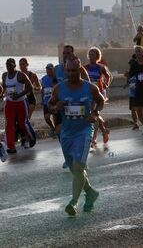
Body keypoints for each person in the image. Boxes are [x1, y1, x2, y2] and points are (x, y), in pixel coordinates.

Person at [48, 57, 105, 216]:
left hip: (84, 130)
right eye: (68, 71)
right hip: (67, 132)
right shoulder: (58, 89)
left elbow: (100, 101)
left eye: (74, 70)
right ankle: (91, 193)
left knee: (79, 167)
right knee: (75, 170)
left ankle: (73, 202)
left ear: (80, 70)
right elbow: (50, 106)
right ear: (65, 71)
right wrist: (55, 107)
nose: (71, 73)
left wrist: (95, 113)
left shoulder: (90, 88)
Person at [2, 58, 35, 153]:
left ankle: (31, 137)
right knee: (9, 124)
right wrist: (2, 94)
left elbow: (30, 87)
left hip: (21, 102)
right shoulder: (4, 75)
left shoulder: (20, 75)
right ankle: (11, 147)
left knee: (22, 123)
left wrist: (19, 95)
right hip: (9, 103)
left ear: (14, 65)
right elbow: (5, 87)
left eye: (10, 65)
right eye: (7, 65)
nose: (8, 67)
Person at [85, 47, 112, 148]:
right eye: (90, 54)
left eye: (93, 54)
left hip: (99, 93)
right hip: (89, 93)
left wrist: (106, 84)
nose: (91, 56)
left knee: (94, 114)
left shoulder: (101, 67)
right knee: (94, 114)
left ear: (97, 56)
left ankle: (94, 139)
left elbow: (109, 76)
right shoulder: (85, 68)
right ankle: (104, 130)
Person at [125, 46, 143, 135]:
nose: (138, 53)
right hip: (138, 89)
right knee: (138, 109)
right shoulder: (134, 65)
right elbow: (131, 76)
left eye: (139, 51)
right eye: (136, 51)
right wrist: (127, 75)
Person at [41, 63, 60, 137]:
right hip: (46, 101)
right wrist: (42, 99)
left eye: (50, 69)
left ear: (53, 70)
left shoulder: (56, 78)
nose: (48, 71)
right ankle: (52, 128)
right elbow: (42, 89)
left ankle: (56, 131)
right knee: (46, 117)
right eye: (47, 69)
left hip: (55, 101)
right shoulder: (43, 78)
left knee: (55, 117)